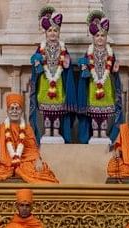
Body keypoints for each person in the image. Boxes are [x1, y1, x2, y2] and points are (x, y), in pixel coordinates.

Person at [0, 92, 59, 183]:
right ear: (7, 111)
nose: (14, 111)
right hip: (6, 162)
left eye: (17, 108)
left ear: (22, 111)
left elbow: (33, 149)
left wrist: (38, 160)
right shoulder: (1, 128)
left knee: (41, 172)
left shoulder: (27, 128)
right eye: (11, 108)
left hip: (25, 160)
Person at [29, 6, 76, 143]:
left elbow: (67, 62)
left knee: (57, 111)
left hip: (59, 81)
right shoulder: (41, 47)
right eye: (50, 31)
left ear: (59, 32)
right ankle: (47, 132)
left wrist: (67, 61)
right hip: (45, 81)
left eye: (55, 30)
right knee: (46, 111)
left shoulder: (62, 47)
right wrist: (36, 60)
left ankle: (56, 133)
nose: (52, 33)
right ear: (45, 33)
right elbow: (34, 59)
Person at [78, 10, 123, 144]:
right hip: (92, 84)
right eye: (97, 35)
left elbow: (113, 67)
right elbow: (84, 65)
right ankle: (95, 133)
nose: (100, 38)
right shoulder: (89, 51)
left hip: (106, 83)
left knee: (104, 112)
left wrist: (115, 70)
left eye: (103, 35)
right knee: (94, 112)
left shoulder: (110, 51)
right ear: (93, 37)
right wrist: (83, 66)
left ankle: (102, 133)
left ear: (106, 37)